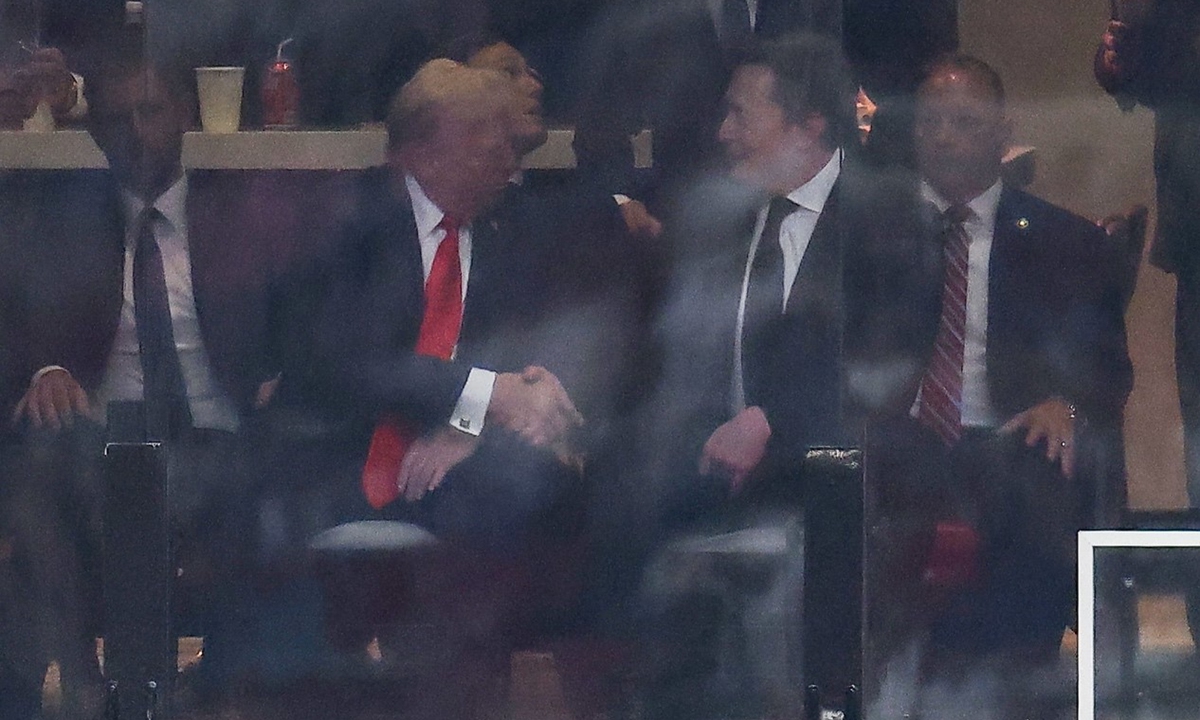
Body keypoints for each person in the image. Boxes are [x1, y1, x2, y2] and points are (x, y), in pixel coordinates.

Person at [627, 35, 933, 720]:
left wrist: (771, 421)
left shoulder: (887, 217)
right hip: (716, 477)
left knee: (801, 552)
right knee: (625, 502)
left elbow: (885, 373)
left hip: (836, 477)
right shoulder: (719, 223)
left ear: (808, 125)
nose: (722, 133)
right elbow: (675, 365)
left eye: (741, 114)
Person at [0, 38, 303, 716]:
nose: (134, 132)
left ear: (187, 118)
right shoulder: (62, 215)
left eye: (149, 112)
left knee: (259, 486)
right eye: (115, 119)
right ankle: (85, 686)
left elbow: (300, 315)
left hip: (217, 433)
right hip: (101, 441)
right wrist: (46, 369)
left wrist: (283, 374)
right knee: (39, 478)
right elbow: (17, 317)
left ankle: (208, 688)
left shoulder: (241, 212)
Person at [909, 54, 1132, 682]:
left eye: (966, 122)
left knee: (1032, 485)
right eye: (931, 122)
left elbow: (1106, 366)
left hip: (1007, 439)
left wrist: (1066, 402)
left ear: (1004, 133)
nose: (945, 137)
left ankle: (1004, 682)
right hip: (901, 442)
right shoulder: (875, 238)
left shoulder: (1064, 242)